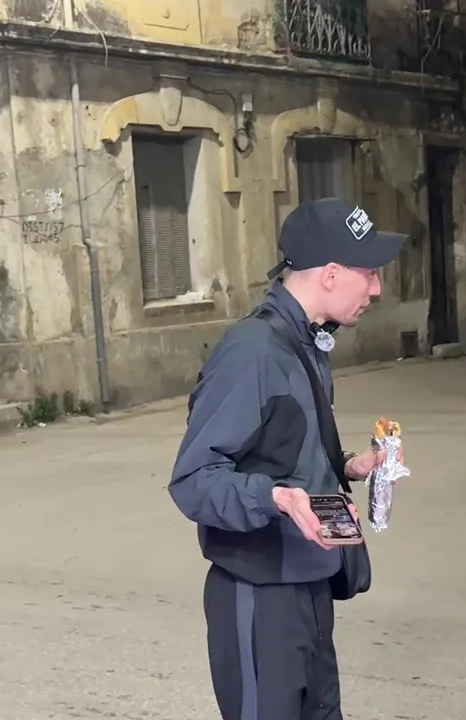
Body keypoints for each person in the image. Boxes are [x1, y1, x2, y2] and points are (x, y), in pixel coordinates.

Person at [169, 197, 406, 720]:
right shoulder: (253, 351)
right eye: (369, 274)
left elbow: (282, 446)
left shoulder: (308, 343)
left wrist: (348, 465)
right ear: (331, 274)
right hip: (260, 595)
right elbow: (194, 479)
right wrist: (276, 498)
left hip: (309, 582)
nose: (377, 289)